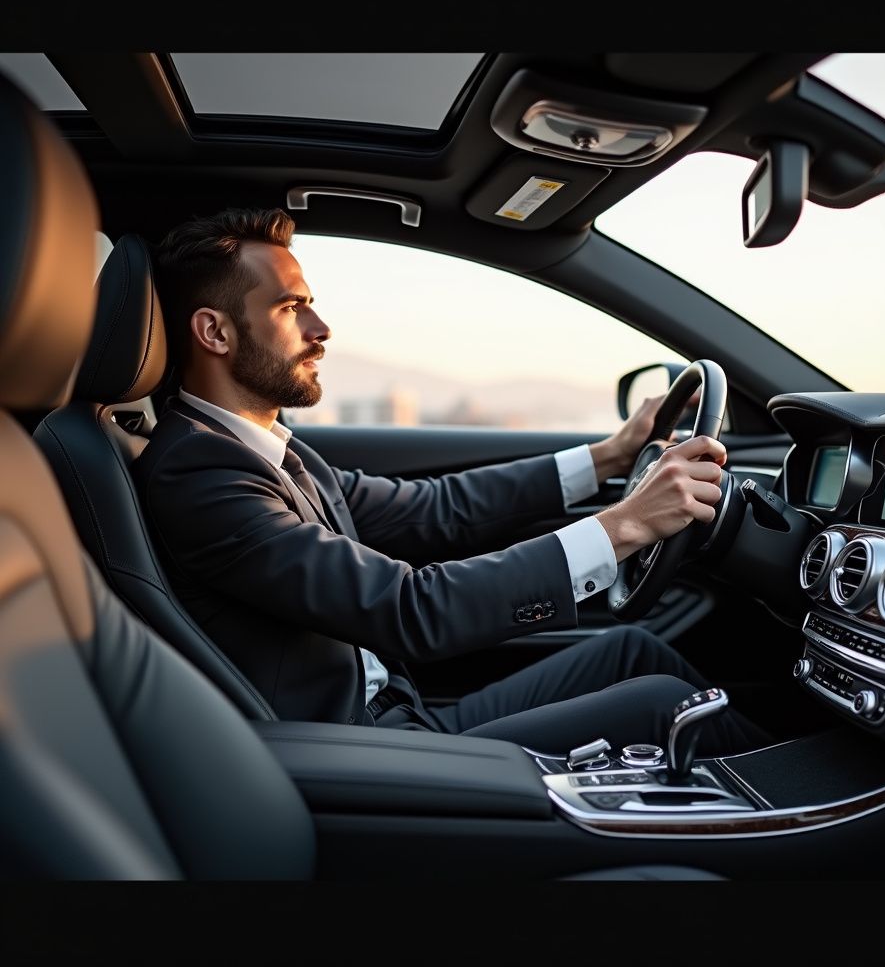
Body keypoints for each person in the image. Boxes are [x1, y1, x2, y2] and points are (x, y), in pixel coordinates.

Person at [132, 208, 772, 758]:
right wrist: (625, 524)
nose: (321, 330)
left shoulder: (266, 450)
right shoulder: (203, 474)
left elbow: (434, 509)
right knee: (660, 703)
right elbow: (408, 610)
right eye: (290, 308)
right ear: (214, 331)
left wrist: (609, 457)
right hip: (361, 753)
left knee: (632, 653)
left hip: (400, 715)